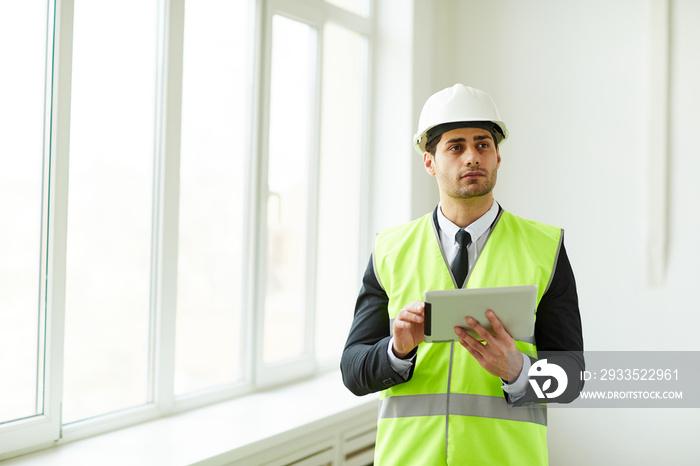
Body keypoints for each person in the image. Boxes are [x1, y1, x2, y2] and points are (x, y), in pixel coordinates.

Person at [340, 84, 584, 465]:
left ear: (498, 157)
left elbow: (571, 379)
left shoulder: (545, 247)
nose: (472, 156)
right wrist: (397, 351)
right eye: (456, 147)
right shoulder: (390, 249)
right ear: (429, 162)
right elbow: (353, 370)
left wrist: (517, 369)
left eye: (483, 144)